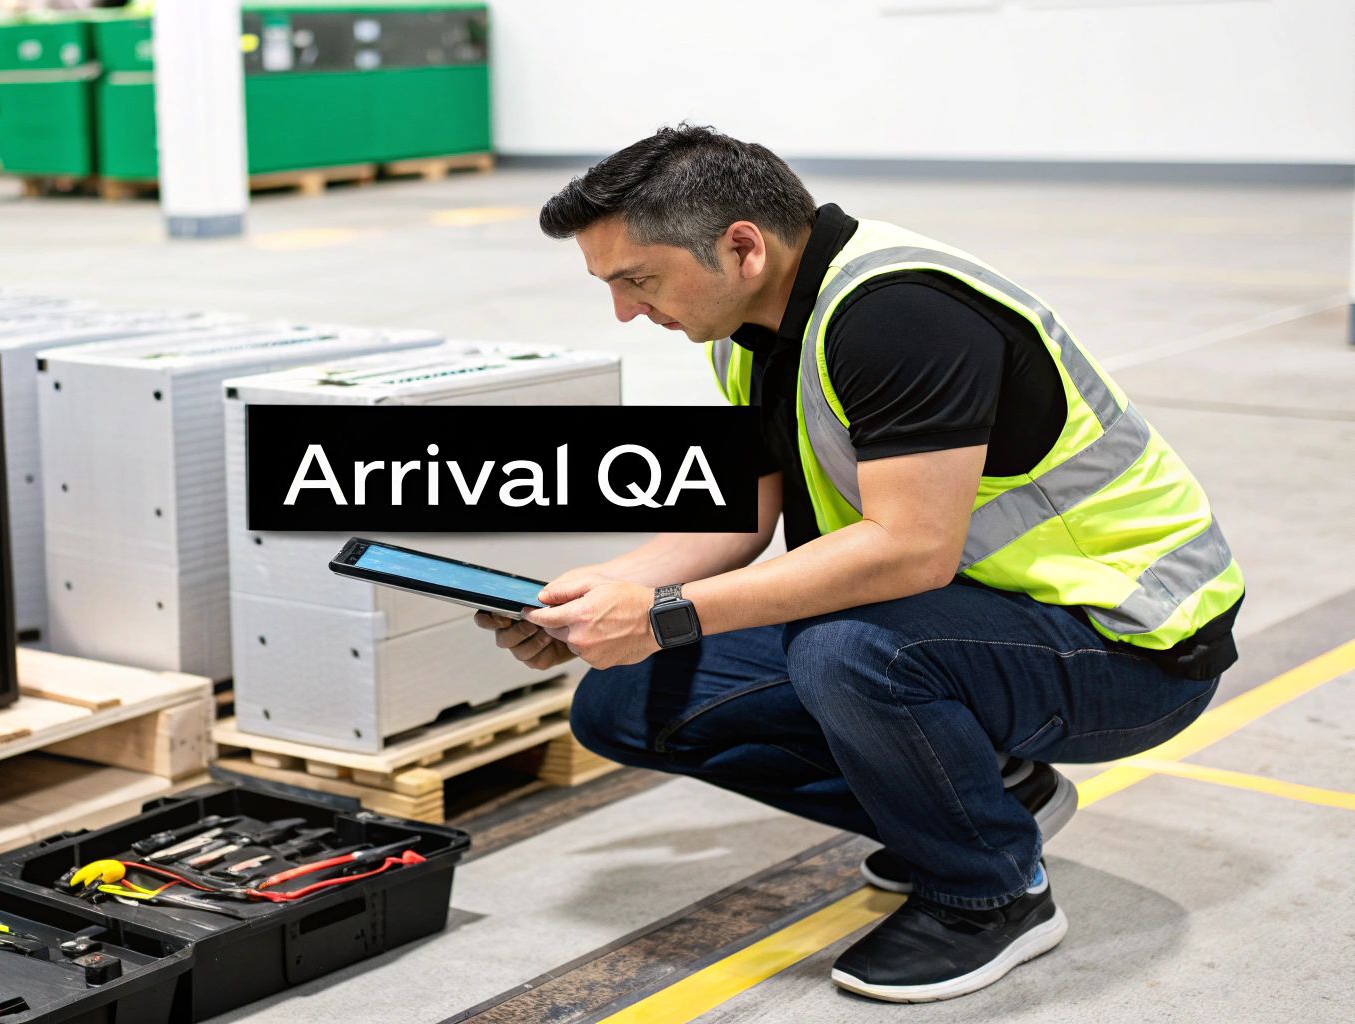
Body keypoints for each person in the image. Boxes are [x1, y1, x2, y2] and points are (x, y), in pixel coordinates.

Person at [476, 124, 1243, 1003]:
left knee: (848, 652)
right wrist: (601, 598)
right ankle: (994, 798)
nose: (624, 310)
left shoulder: (900, 313)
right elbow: (737, 523)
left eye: (636, 280)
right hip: (969, 623)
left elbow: (910, 551)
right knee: (625, 703)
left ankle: (990, 893)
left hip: (1127, 643)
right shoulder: (742, 330)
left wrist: (666, 615)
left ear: (742, 247)